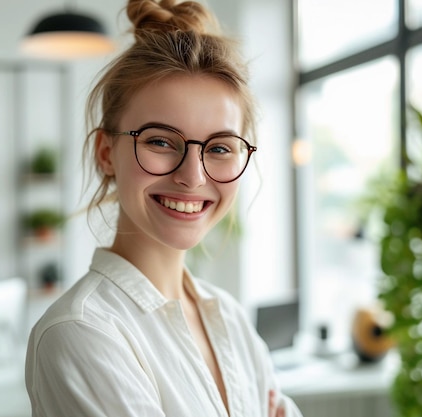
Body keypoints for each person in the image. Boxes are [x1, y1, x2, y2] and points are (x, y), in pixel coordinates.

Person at [24, 0, 303, 416]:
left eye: (221, 147)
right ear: (105, 152)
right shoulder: (82, 332)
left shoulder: (229, 316)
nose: (193, 175)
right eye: (159, 141)